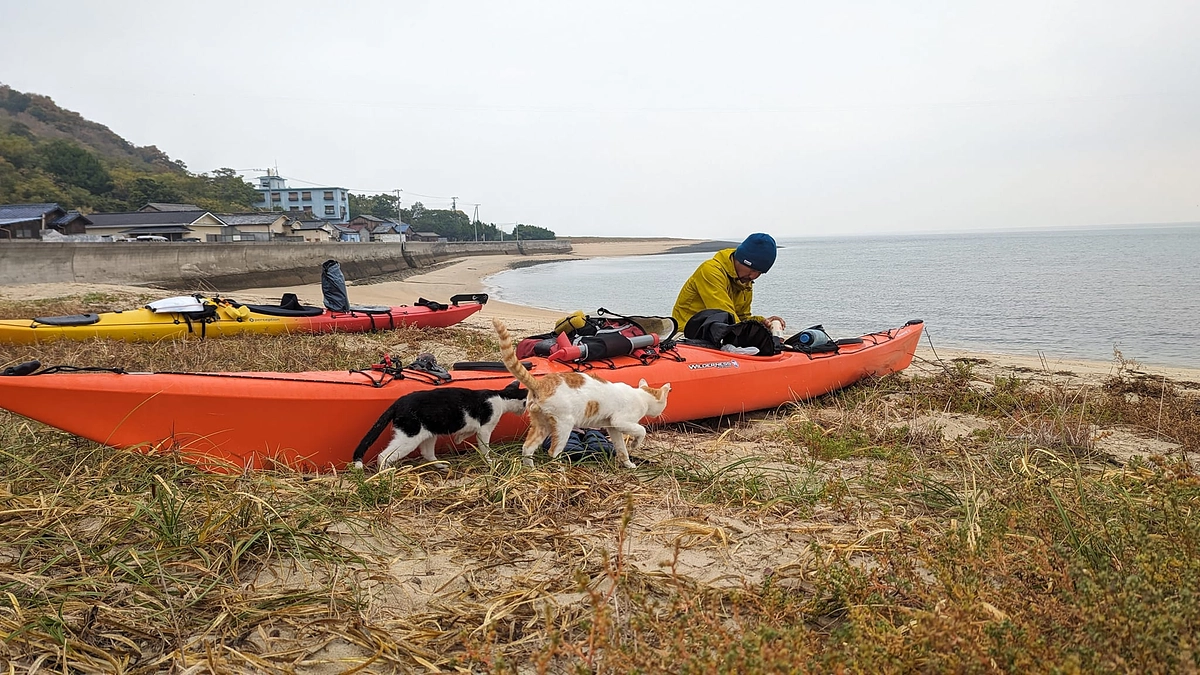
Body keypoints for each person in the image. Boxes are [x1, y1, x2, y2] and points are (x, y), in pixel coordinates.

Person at [671, 233, 786, 333]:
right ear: (741, 259)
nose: (754, 276)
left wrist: (761, 322)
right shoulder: (711, 271)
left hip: (712, 332)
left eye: (760, 272)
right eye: (753, 269)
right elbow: (726, 317)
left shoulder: (744, 279)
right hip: (684, 332)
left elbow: (741, 318)